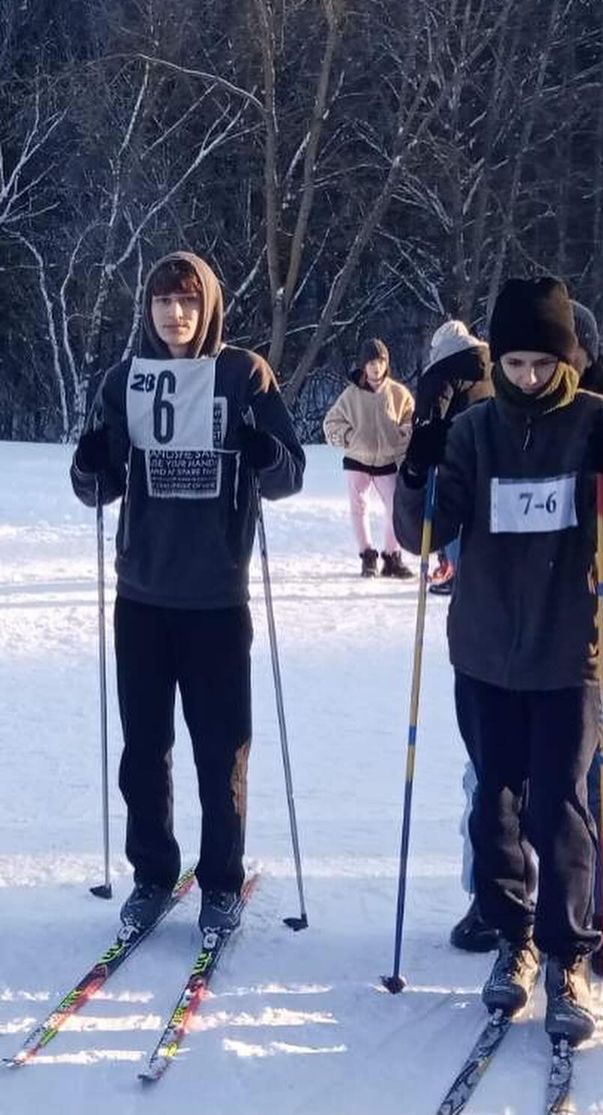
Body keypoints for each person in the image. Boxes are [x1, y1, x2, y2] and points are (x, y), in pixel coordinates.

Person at [394, 277, 603, 1046]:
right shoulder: (477, 430)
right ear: (498, 360)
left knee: (561, 807)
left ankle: (569, 954)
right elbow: (424, 533)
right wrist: (419, 467)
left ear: (565, 358)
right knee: (495, 805)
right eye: (515, 362)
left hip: (570, 652)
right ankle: (516, 938)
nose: (530, 377)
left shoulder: (594, 419)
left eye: (543, 362)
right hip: (483, 650)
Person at [448, 301, 603, 980]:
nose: (537, 371)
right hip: (508, 634)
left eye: (558, 354)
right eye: (522, 357)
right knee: (493, 778)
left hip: (599, 627)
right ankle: (500, 906)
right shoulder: (493, 415)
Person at [70, 251, 305, 934]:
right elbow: (98, 485)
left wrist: (263, 452)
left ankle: (220, 881)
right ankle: (151, 873)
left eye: (189, 301)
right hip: (142, 595)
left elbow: (289, 473)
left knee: (220, 750)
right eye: (164, 301)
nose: (176, 313)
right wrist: (89, 463)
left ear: (210, 308)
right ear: (147, 309)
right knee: (144, 749)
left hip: (215, 599)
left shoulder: (242, 374)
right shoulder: (124, 380)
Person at [411, 320, 493, 595]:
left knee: (452, 515)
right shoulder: (492, 362)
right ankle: (474, 572)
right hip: (493, 447)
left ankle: (457, 573)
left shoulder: (441, 370)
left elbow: (429, 415)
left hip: (455, 448)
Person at [322, 338, 414, 578]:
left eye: (380, 361)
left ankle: (392, 557)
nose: (375, 367)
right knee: (359, 507)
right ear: (363, 365)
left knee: (396, 507)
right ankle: (367, 556)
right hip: (357, 460)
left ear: (387, 364)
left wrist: (405, 432)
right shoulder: (350, 395)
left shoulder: (398, 393)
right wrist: (349, 436)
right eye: (371, 362)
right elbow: (331, 423)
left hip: (387, 460)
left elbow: (411, 417)